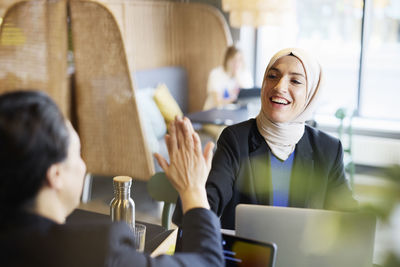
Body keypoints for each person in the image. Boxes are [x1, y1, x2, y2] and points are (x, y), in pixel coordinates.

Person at [0, 90, 222, 266]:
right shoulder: (97, 252)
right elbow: (208, 263)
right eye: (77, 154)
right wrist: (193, 190)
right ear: (55, 175)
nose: (83, 165)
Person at [174, 48, 358, 229]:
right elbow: (204, 210)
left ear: (311, 94)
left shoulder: (328, 149)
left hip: (304, 259)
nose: (279, 87)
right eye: (272, 76)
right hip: (245, 257)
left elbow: (349, 220)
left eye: (295, 81)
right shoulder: (235, 140)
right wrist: (191, 186)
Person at [203, 45, 253, 110]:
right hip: (213, 112)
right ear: (226, 60)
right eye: (233, 60)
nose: (236, 63)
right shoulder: (216, 74)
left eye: (239, 60)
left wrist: (238, 78)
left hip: (235, 114)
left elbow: (248, 100)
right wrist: (234, 99)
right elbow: (218, 103)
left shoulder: (245, 75)